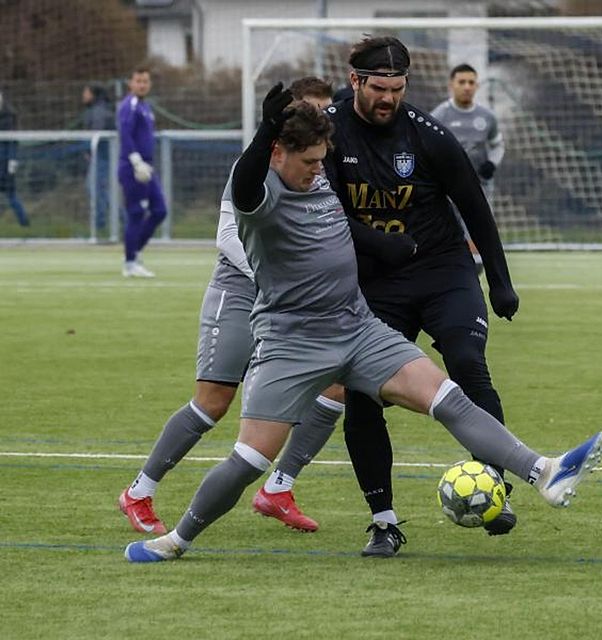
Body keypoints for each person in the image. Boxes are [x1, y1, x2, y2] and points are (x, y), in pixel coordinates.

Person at [123, 86, 602, 563]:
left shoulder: (317, 178)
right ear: (279, 154)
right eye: (310, 162)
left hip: (358, 327)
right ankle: (177, 540)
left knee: (448, 397)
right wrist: (267, 128)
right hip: (293, 342)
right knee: (249, 460)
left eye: (322, 161)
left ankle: (545, 472)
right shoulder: (260, 195)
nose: (319, 172)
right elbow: (249, 179)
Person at [259, 36, 523, 557]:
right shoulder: (330, 131)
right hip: (376, 282)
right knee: (361, 393)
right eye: (379, 87)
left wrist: (500, 278)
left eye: (397, 88)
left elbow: (473, 203)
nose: (389, 98)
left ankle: (492, 487)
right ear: (354, 80)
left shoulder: (427, 134)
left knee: (468, 362)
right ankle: (383, 522)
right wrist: (381, 244)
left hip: (442, 268)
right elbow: (321, 211)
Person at [118, 77, 407, 535]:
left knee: (336, 388)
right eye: (314, 111)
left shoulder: (316, 168)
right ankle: (140, 491)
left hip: (292, 306)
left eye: (327, 112)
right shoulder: (254, 167)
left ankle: (278, 486)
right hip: (241, 291)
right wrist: (278, 278)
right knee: (213, 402)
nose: (323, 120)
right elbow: (228, 236)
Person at [430, 63, 505, 272]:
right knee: (446, 229)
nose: (467, 87)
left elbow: (498, 145)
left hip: (480, 186)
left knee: (477, 230)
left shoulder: (486, 117)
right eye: (461, 82)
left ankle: (475, 274)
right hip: (447, 188)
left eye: (471, 82)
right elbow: (428, 148)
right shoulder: (439, 115)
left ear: (477, 86)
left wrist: (492, 163)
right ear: (451, 85)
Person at [117, 66, 166, 278]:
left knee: (160, 210)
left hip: (147, 167)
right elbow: (125, 133)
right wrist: (135, 160)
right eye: (138, 81)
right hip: (133, 166)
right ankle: (130, 262)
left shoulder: (146, 106)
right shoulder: (130, 105)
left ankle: (134, 251)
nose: (142, 85)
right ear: (131, 83)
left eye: (145, 81)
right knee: (136, 212)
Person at [81, 84, 114, 232]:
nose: (83, 95)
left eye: (86, 92)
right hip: (102, 155)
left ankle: (100, 224)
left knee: (93, 187)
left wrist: (89, 150)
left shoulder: (99, 112)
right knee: (100, 190)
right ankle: (121, 220)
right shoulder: (96, 110)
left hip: (102, 155)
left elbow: (97, 133)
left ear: (93, 95)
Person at [0, 90, 29, 227]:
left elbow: (12, 141)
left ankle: (24, 223)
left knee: (11, 195)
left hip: (5, 163)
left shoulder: (8, 116)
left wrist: (12, 161)